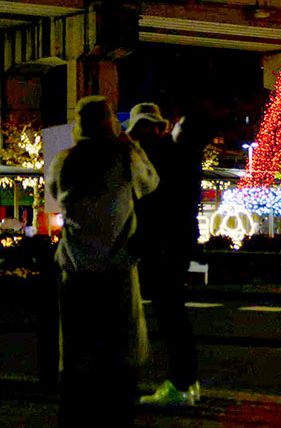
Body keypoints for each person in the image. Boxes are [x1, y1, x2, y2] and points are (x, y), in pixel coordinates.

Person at [48, 95, 159, 428]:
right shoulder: (125, 156)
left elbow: (54, 193)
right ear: (111, 121)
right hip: (117, 269)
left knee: (77, 356)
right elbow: (151, 183)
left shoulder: (65, 161)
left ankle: (75, 416)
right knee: (119, 354)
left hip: (76, 269)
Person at [132, 99, 209, 406]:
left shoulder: (159, 156)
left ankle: (181, 384)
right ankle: (186, 383)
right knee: (174, 314)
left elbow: (149, 201)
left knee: (170, 315)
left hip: (163, 245)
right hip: (177, 243)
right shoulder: (186, 158)